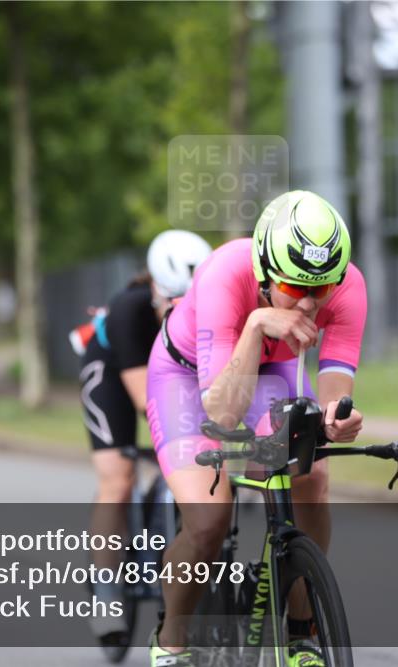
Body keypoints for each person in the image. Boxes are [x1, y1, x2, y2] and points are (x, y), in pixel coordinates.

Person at [145, 191, 366, 667]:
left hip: (275, 372)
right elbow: (221, 416)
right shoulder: (226, 273)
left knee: (313, 474)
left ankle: (302, 630)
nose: (308, 304)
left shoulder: (348, 286)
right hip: (187, 377)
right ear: (264, 269)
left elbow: (332, 393)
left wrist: (335, 420)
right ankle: (172, 639)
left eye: (322, 289)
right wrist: (255, 324)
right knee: (207, 521)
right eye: (293, 288)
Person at [76, 230, 212, 642]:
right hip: (113, 375)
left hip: (171, 373)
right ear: (154, 287)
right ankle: (105, 590)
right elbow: (145, 400)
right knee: (118, 480)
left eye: (191, 304)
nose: (180, 311)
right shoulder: (129, 311)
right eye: (172, 302)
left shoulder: (212, 303)